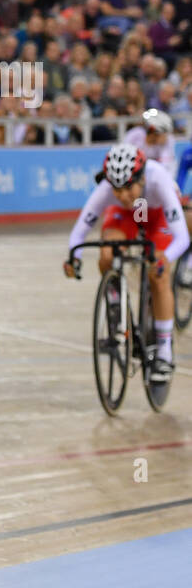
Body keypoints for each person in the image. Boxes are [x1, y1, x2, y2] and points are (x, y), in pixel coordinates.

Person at [65, 144, 188, 382]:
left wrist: (166, 260)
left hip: (156, 213)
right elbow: (79, 233)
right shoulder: (108, 189)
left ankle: (164, 351)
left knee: (159, 274)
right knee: (107, 252)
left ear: (141, 178)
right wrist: (74, 258)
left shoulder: (159, 179)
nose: (122, 196)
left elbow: (181, 238)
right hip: (129, 216)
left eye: (128, 188)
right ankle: (115, 304)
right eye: (116, 189)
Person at [122, 108, 177, 175]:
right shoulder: (134, 135)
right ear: (155, 133)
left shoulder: (168, 141)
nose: (167, 137)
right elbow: (124, 159)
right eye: (165, 133)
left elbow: (168, 167)